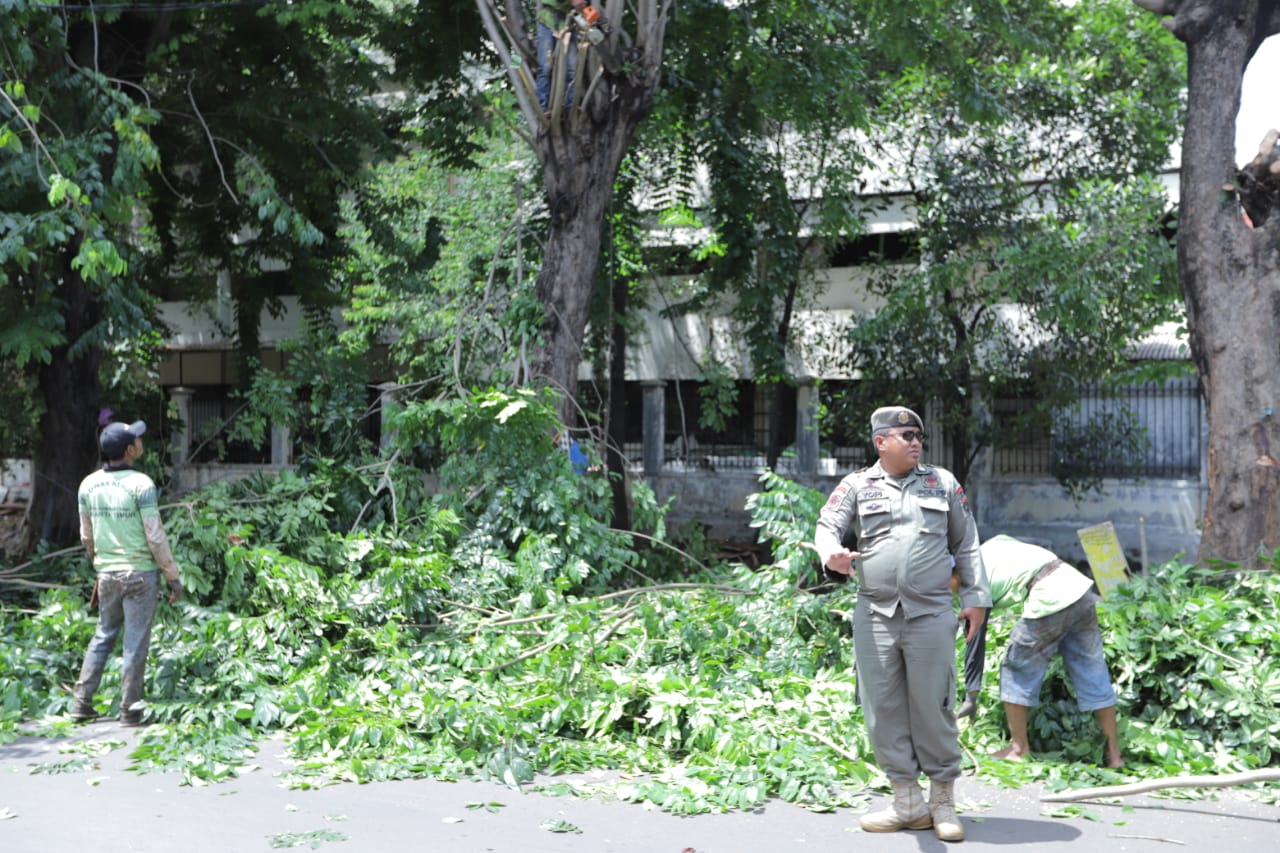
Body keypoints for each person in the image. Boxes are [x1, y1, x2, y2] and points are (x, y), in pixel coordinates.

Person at [815, 406, 990, 843]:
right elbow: (827, 526)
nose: (915, 442)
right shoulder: (856, 485)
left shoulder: (942, 483)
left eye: (919, 436)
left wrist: (975, 598)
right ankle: (907, 802)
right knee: (883, 709)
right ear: (881, 442)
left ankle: (943, 801)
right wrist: (831, 554)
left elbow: (966, 542)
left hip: (930, 613)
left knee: (933, 705)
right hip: (874, 614)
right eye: (906, 435)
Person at [968, 534, 1125, 769]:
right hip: (1078, 589)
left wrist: (972, 694)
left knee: (1016, 666)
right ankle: (1115, 757)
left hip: (1050, 595)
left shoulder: (973, 580)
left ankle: (1018, 749)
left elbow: (975, 639)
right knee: (1092, 669)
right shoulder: (994, 545)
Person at [70, 420, 182, 726]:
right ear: (129, 449)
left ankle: (81, 703)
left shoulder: (88, 485)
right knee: (135, 640)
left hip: (107, 574)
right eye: (137, 438)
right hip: (140, 576)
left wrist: (100, 566)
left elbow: (86, 535)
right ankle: (130, 710)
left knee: (104, 634)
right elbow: (155, 536)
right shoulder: (141, 484)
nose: (140, 441)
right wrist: (172, 576)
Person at [535, 0, 588, 110]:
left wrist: (603, 24)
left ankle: (570, 106)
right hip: (548, 20)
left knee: (572, 68)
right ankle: (543, 107)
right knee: (546, 67)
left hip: (568, 23)